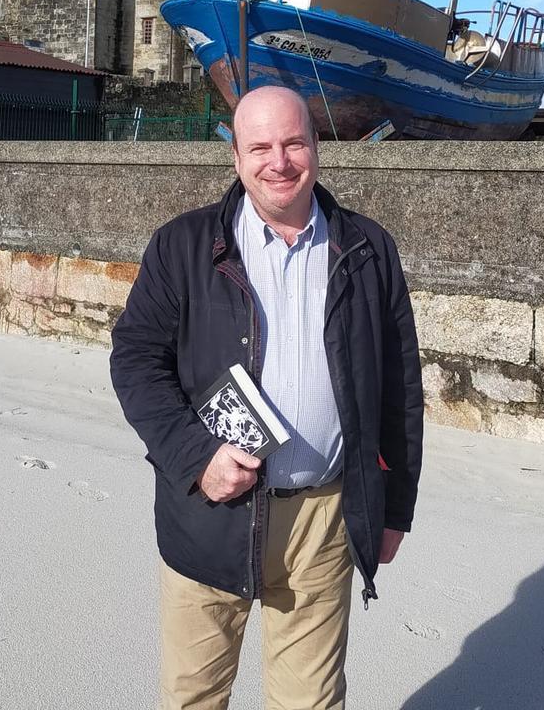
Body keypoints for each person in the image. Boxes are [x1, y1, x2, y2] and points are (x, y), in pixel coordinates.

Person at [110, 85, 423, 709]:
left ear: (316, 147)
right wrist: (197, 457)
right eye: (259, 147)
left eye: (293, 143)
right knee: (194, 696)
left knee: (311, 703)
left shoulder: (367, 248)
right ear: (235, 156)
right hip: (211, 511)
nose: (278, 161)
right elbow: (136, 361)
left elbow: (400, 387)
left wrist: (394, 510)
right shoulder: (182, 245)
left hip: (324, 518)